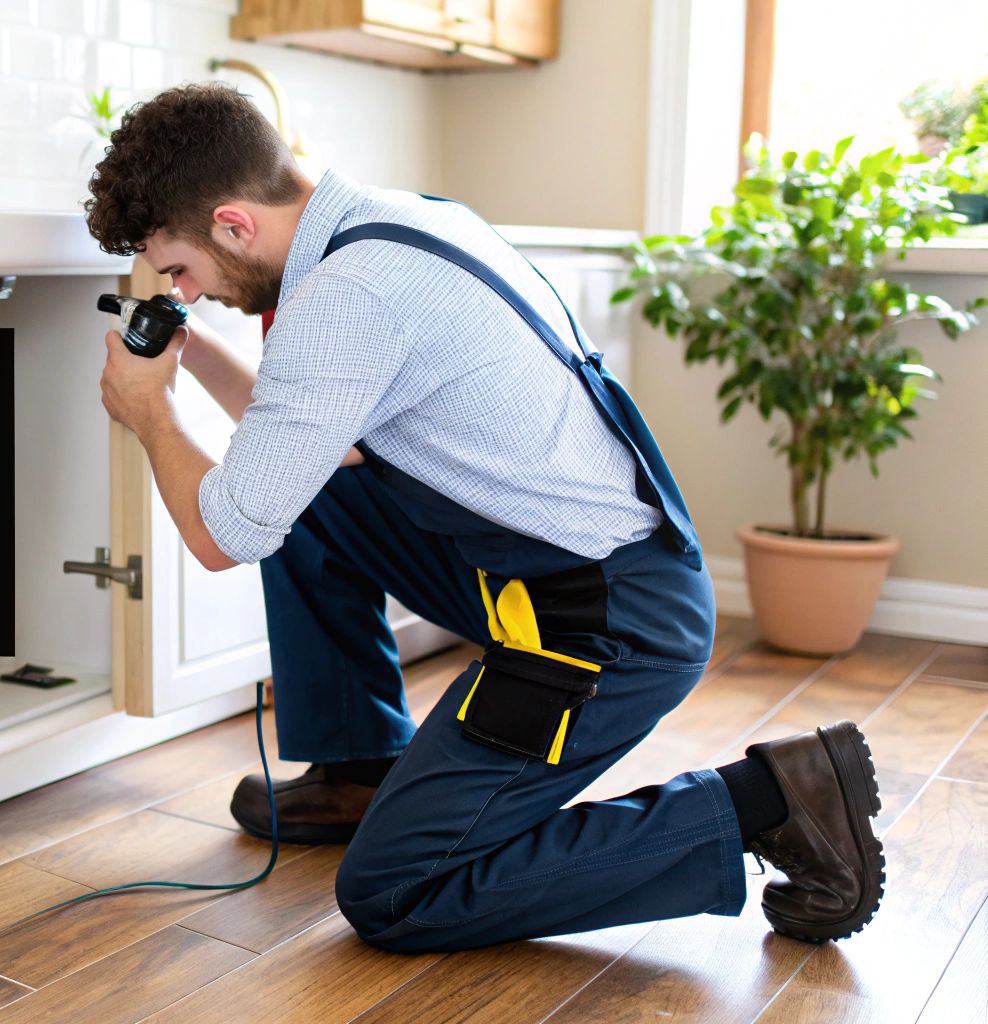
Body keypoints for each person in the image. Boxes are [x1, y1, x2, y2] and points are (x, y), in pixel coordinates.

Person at [83, 82, 886, 951]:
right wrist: (190, 354)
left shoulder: (344, 302)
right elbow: (305, 445)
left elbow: (222, 535)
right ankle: (361, 764)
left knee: (394, 892)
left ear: (235, 224)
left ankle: (768, 802)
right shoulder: (403, 219)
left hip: (602, 627)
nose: (185, 293)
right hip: (568, 570)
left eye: (181, 272)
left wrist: (148, 413)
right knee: (305, 495)